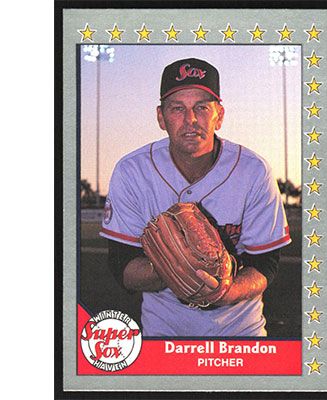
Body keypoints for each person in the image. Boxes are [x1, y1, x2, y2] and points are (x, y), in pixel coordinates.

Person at [100, 58, 291, 336]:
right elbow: (121, 265)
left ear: (219, 116)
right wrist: (173, 267)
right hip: (163, 334)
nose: (190, 119)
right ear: (161, 117)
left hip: (241, 333)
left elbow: (266, 263)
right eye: (177, 108)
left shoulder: (253, 171)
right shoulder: (132, 171)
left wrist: (225, 291)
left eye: (202, 107)